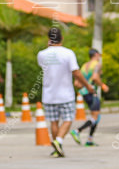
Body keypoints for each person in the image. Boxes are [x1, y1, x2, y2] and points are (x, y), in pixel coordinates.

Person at [37, 27, 94, 158]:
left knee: (54, 122)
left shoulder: (42, 54)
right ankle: (59, 141)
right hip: (66, 94)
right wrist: (87, 85)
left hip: (48, 94)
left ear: (49, 39)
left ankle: (57, 149)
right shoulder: (68, 53)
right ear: (62, 38)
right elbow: (76, 72)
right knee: (68, 120)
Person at [71, 48, 108, 147]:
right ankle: (77, 131)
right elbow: (95, 77)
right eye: (99, 54)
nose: (100, 56)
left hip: (84, 92)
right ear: (96, 54)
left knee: (96, 116)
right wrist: (103, 86)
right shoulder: (97, 64)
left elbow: (77, 83)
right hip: (91, 92)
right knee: (95, 116)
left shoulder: (84, 66)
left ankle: (90, 140)